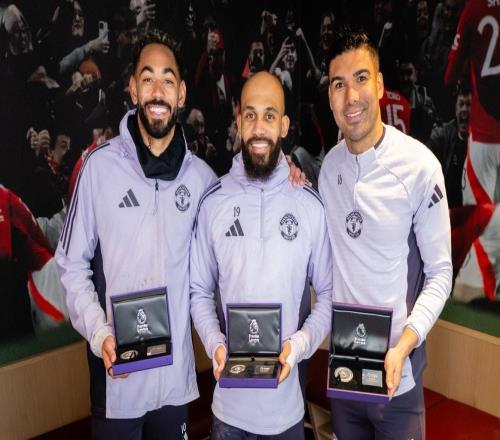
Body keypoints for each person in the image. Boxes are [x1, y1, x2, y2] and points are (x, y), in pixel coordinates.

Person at [55, 29, 217, 439]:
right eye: (148, 78)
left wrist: (289, 173)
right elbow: (71, 264)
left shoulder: (202, 180)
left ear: (182, 94)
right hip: (118, 385)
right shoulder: (98, 168)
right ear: (133, 89)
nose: (157, 91)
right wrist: (100, 333)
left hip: (175, 387)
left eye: (168, 80)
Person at [319, 27, 452, 439]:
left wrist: (404, 345)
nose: (350, 96)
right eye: (338, 84)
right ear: (330, 96)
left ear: (378, 85)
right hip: (346, 374)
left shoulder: (419, 167)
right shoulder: (329, 169)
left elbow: (440, 274)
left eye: (360, 78)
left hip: (399, 377)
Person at [190, 71, 333, 439]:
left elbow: (330, 295)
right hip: (227, 415)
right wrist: (215, 345)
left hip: (286, 415)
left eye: (269, 116)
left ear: (283, 126)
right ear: (238, 122)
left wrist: (298, 346)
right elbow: (199, 291)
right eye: (250, 115)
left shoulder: (309, 205)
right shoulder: (213, 202)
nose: (258, 128)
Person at [445, 0, 500, 299]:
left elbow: (450, 74)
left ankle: (472, 287)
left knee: (480, 212)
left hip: (484, 133)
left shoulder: (474, 8)